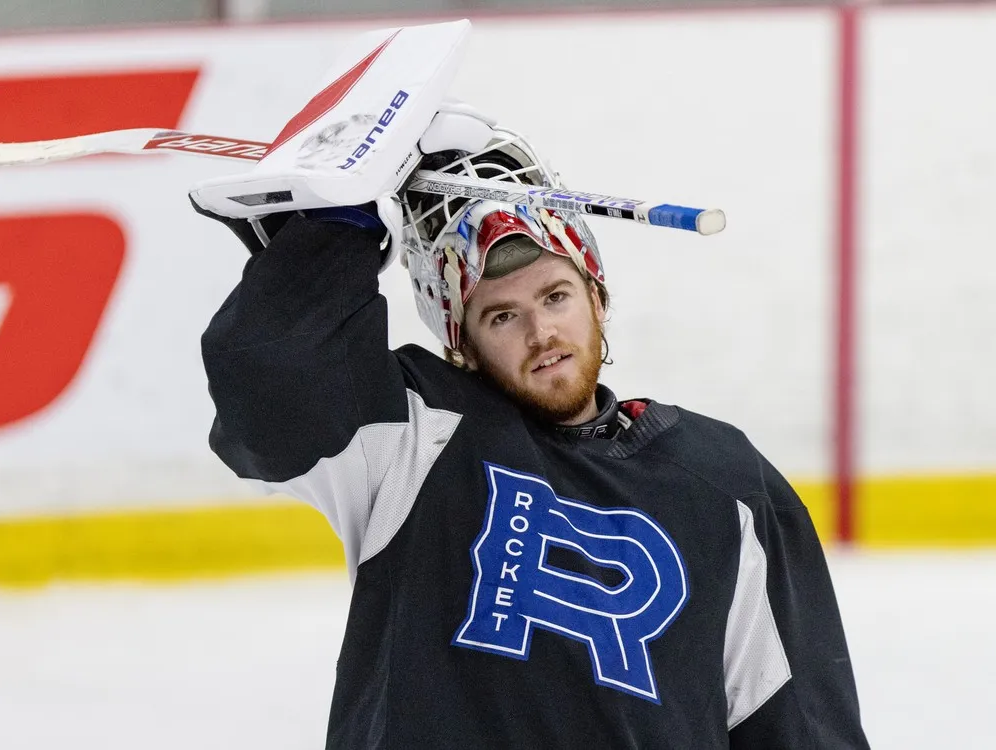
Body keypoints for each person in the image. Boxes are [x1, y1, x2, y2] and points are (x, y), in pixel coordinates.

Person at [195, 106, 870, 749]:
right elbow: (268, 383)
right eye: (501, 316)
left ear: (598, 295)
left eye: (555, 296)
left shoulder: (726, 481)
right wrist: (339, 222)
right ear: (461, 342)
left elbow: (797, 722)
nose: (541, 331)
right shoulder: (415, 436)